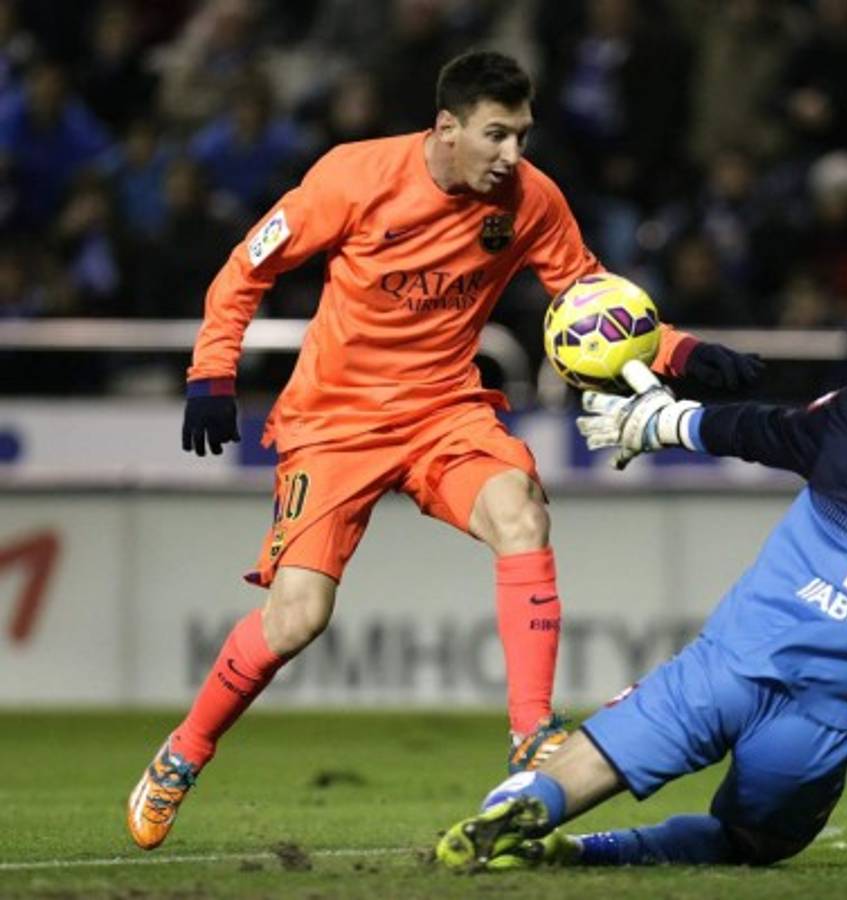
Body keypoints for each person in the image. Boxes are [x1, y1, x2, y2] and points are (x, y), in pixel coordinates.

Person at [126, 49, 761, 852]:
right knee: (296, 620)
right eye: (496, 135)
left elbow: (590, 302)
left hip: (443, 412)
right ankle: (185, 750)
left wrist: (680, 353)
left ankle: (531, 735)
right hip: (336, 422)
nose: (512, 155)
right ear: (446, 127)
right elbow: (247, 266)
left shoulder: (531, 199)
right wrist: (212, 370)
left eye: (522, 136)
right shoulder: (353, 178)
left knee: (520, 516)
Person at [435, 281, 847, 870]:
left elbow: (758, 429)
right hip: (826, 718)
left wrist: (665, 421)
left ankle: (521, 810)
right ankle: (580, 855)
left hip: (735, 665)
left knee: (590, 762)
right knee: (753, 842)